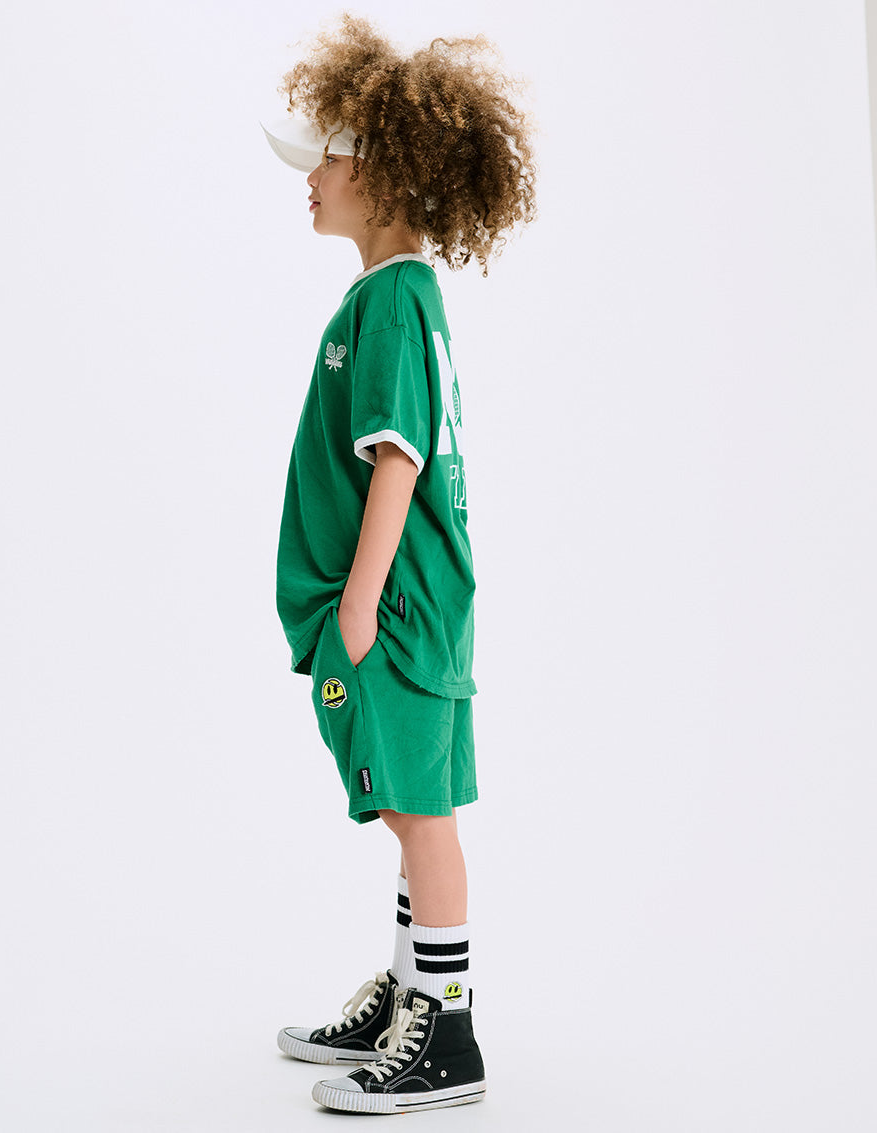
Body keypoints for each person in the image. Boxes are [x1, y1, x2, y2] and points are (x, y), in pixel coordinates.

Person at [261, 13, 536, 1115]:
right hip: (417, 606)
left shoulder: (390, 299)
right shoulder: (398, 294)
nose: (311, 177)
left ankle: (446, 1032)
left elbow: (396, 458)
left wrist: (360, 603)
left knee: (422, 817)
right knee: (413, 807)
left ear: (379, 174)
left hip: (399, 609)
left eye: (328, 158)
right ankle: (411, 993)